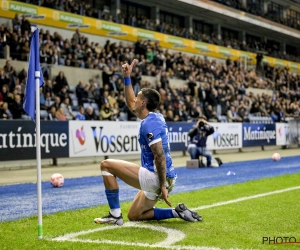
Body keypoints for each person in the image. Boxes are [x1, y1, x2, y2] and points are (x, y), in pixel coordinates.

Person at [94, 59, 202, 226]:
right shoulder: (154, 117)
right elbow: (131, 103)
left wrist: (162, 186)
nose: (134, 101)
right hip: (165, 177)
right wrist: (127, 78)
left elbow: (159, 156)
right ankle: (176, 212)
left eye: (137, 97)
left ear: (143, 102)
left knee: (106, 165)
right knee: (135, 215)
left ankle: (114, 216)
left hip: (157, 177)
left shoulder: (149, 123)